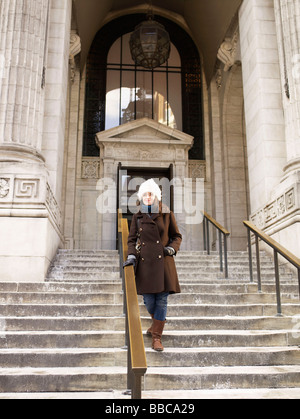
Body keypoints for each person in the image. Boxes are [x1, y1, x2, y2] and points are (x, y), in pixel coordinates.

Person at [123, 178, 182, 352]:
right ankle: (156, 324)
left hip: (163, 261)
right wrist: (132, 255)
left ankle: (157, 337)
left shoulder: (166, 213)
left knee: (162, 300)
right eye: (145, 195)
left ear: (156, 196)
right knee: (149, 301)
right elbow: (132, 239)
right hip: (145, 263)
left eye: (150, 194)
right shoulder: (138, 216)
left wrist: (171, 248)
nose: (148, 197)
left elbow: (176, 236)